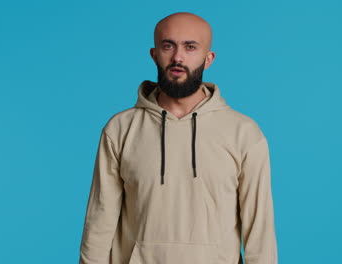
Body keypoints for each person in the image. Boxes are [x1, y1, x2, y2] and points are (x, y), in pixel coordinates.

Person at [79, 12, 278, 264]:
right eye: (168, 46)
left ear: (208, 59)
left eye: (190, 47)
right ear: (154, 54)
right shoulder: (120, 129)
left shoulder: (244, 133)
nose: (178, 57)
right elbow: (99, 220)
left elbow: (259, 231)